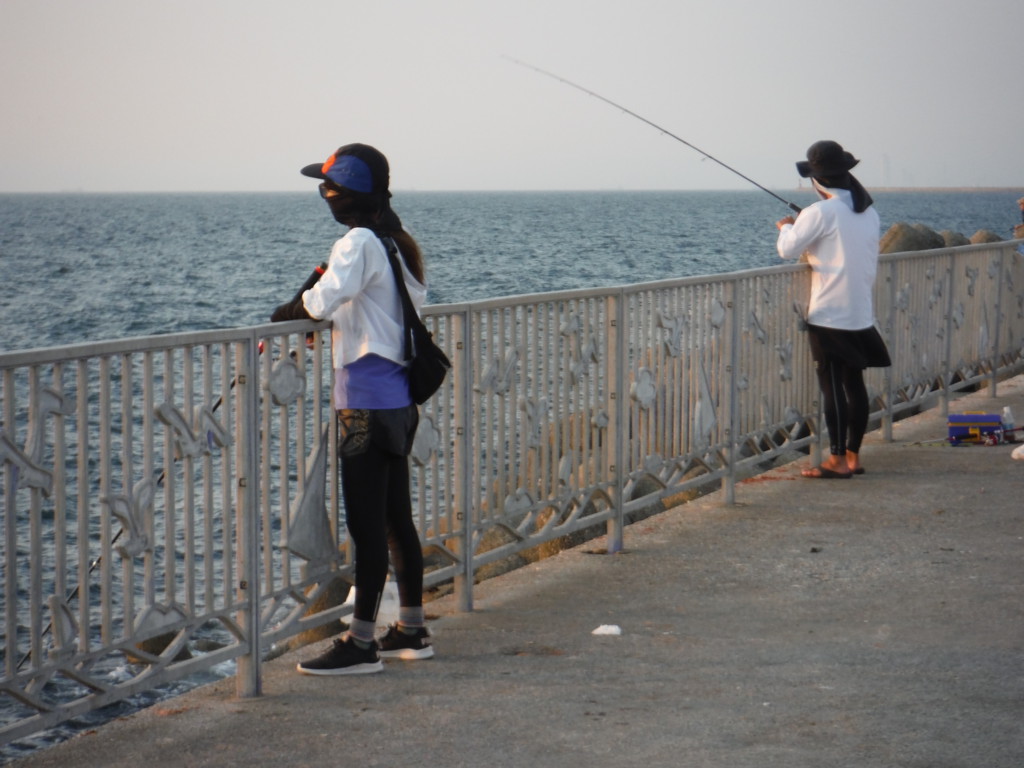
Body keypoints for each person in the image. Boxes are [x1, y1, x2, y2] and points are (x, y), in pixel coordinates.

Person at [271, 143, 434, 674]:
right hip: (400, 400)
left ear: (339, 195)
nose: (324, 194)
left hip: (362, 404)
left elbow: (320, 303)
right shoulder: (397, 245)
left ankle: (361, 644)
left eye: (327, 187)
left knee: (366, 528)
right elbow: (377, 313)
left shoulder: (357, 241)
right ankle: (411, 629)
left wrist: (296, 307)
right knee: (395, 522)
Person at [775, 140, 891, 479]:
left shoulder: (819, 213)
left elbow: (787, 249)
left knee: (831, 386)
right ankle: (853, 456)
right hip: (859, 312)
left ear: (818, 180)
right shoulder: (868, 212)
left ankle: (837, 460)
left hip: (828, 314)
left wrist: (785, 226)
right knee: (853, 384)